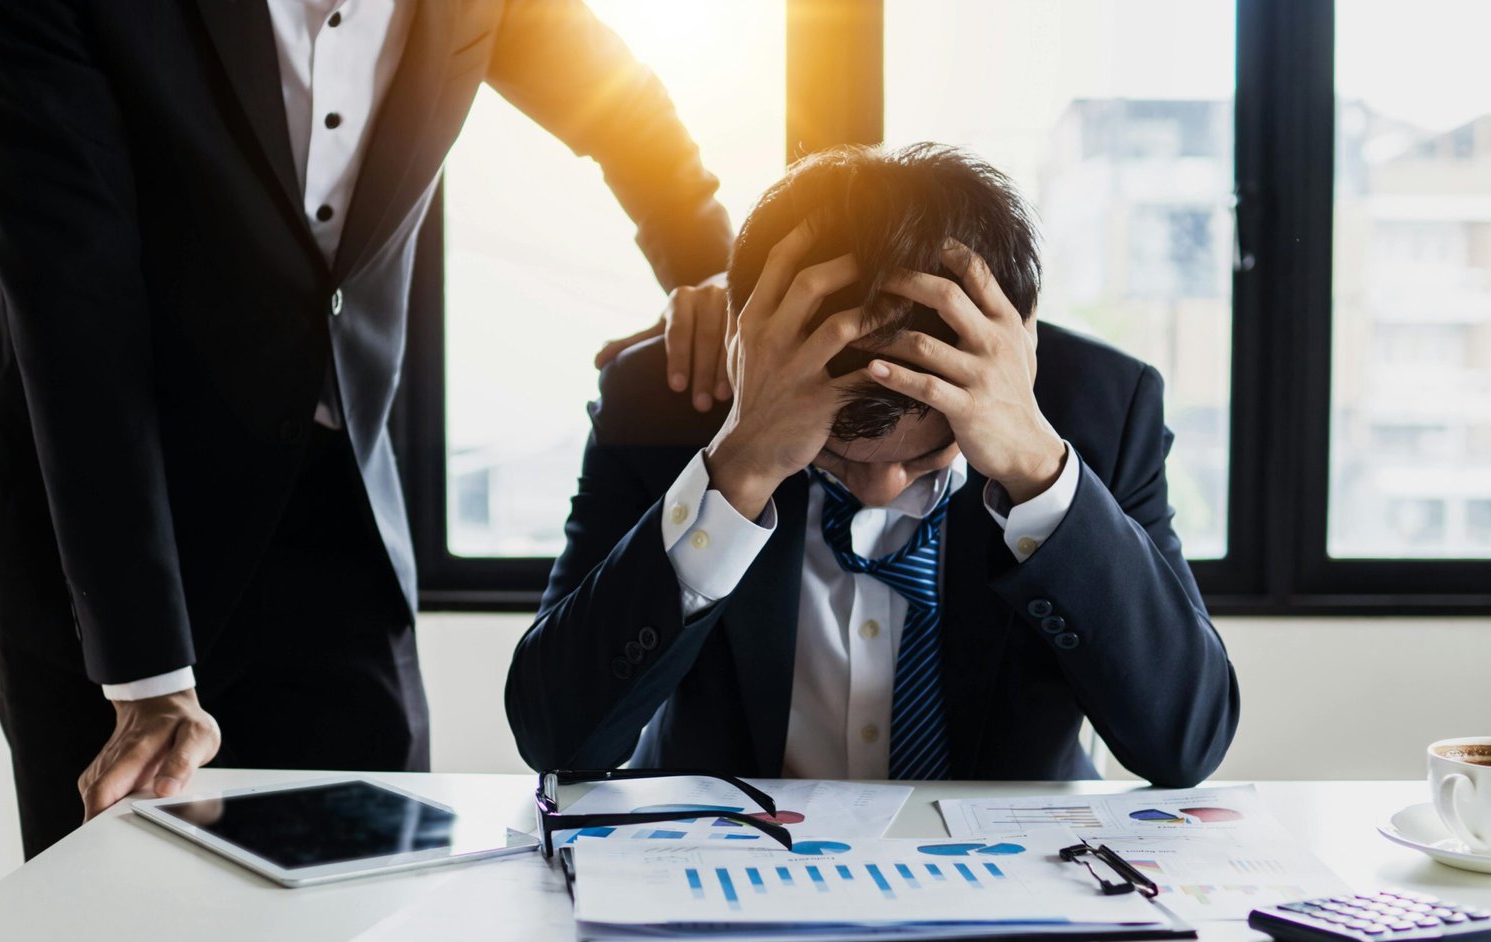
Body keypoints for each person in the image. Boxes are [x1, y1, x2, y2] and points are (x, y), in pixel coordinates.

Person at [0, 0, 735, 858]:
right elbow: (77, 316)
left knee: (378, 900)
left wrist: (712, 270)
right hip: (101, 543)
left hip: (335, 502)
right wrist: (146, 676)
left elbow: (613, 99)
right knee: (111, 933)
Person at [506, 142, 1240, 786]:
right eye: (833, 455)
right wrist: (736, 469)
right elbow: (556, 738)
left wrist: (1039, 475)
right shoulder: (663, 401)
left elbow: (1186, 742)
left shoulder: (1103, 413)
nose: (883, 487)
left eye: (927, 456)